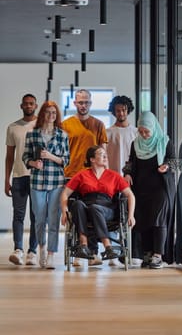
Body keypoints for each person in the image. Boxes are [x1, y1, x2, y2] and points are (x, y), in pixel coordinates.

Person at [60, 145, 135, 264]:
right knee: (77, 204)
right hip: (86, 208)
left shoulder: (114, 175)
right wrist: (64, 212)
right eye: (101, 154)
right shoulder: (82, 175)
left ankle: (108, 246)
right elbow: (65, 194)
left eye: (105, 154)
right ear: (92, 159)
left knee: (95, 208)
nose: (105, 156)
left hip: (107, 209)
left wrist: (131, 215)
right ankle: (83, 245)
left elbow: (130, 195)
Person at [123, 111, 176, 269]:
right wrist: (126, 173)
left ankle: (158, 255)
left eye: (147, 131)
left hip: (161, 187)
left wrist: (166, 166)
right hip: (141, 187)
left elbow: (174, 161)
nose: (144, 134)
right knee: (144, 219)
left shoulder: (165, 142)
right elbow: (131, 162)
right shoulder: (136, 143)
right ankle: (147, 253)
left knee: (158, 219)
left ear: (154, 128)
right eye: (141, 131)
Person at [62, 89, 108, 267]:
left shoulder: (98, 124)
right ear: (75, 103)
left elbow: (103, 153)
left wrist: (105, 174)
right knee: (76, 214)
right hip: (71, 175)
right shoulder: (66, 125)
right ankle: (79, 254)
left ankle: (94, 252)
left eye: (87, 102)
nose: (84, 105)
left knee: (94, 212)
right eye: (80, 102)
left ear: (91, 103)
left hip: (94, 177)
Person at [22, 101, 69, 269]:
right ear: (42, 114)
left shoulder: (62, 135)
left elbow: (66, 160)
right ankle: (41, 248)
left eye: (54, 113)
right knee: (40, 219)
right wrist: (33, 163)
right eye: (48, 112)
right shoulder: (32, 134)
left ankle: (51, 254)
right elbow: (25, 157)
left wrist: (50, 156)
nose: (51, 116)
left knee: (54, 219)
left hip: (56, 181)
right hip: (37, 182)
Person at [106, 95, 140, 266]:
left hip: (131, 180)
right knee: (113, 214)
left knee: (129, 215)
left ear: (128, 110)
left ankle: (130, 251)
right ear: (114, 112)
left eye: (124, 109)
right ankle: (112, 252)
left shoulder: (135, 132)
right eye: (118, 110)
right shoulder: (108, 133)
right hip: (112, 179)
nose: (121, 112)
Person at [5, 93, 38, 266]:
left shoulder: (41, 125)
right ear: (21, 106)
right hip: (18, 176)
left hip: (37, 177)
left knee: (35, 216)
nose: (28, 106)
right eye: (26, 103)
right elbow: (9, 156)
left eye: (31, 103)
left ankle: (32, 251)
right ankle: (18, 249)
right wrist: (6, 179)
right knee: (18, 215)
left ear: (36, 106)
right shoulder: (13, 127)